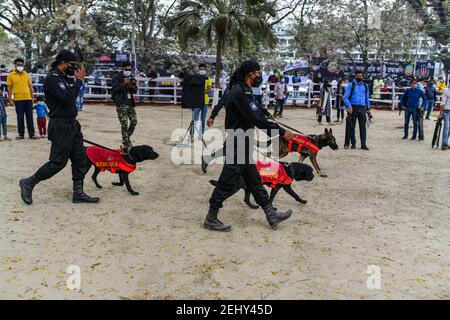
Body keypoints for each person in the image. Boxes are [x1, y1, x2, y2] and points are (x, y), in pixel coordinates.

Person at [204, 60, 294, 232]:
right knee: (226, 182)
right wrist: (281, 131)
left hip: (243, 142)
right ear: (249, 74)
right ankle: (211, 217)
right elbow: (256, 119)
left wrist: (266, 115)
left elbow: (256, 111)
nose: (260, 75)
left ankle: (271, 214)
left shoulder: (243, 91)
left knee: (255, 181)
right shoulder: (240, 93)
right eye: (258, 72)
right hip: (237, 144)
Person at [19, 49, 100, 205]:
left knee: (80, 158)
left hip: (72, 124)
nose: (74, 68)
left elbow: (71, 96)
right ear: (62, 63)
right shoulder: (52, 79)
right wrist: (78, 82)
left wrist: (74, 82)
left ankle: (78, 192)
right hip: (60, 126)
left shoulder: (64, 78)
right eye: (72, 64)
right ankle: (28, 182)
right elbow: (68, 98)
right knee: (58, 163)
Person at [7, 58, 38, 140]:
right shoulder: (11, 75)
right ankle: (21, 134)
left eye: (21, 65)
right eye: (18, 65)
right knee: (20, 117)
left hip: (28, 98)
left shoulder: (26, 74)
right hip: (18, 99)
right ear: (15, 65)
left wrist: (33, 98)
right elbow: (9, 88)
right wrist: (10, 99)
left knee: (30, 117)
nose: (20, 66)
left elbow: (30, 87)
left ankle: (32, 134)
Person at [111, 61, 138, 151]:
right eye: (126, 69)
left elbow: (135, 91)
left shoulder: (132, 77)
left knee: (134, 121)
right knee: (124, 124)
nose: (128, 71)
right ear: (122, 68)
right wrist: (123, 84)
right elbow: (114, 91)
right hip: (121, 103)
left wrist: (131, 85)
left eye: (130, 69)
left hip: (130, 103)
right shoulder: (116, 77)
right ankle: (126, 143)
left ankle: (126, 138)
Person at [343, 71, 371, 150]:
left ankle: (363, 144)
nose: (359, 77)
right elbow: (345, 97)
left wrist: (368, 109)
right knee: (352, 127)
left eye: (361, 76)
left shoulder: (365, 86)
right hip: (353, 108)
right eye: (358, 76)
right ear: (355, 76)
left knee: (363, 127)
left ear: (363, 77)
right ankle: (353, 144)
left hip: (362, 108)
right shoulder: (351, 85)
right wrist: (349, 106)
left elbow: (366, 98)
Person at [194, 63, 211, 136]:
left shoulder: (208, 79)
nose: (202, 71)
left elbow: (209, 89)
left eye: (203, 69)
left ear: (205, 70)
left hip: (205, 102)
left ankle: (202, 134)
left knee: (203, 119)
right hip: (196, 102)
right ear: (198, 70)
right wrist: (203, 91)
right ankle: (194, 133)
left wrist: (201, 91)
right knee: (195, 119)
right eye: (201, 69)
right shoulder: (195, 78)